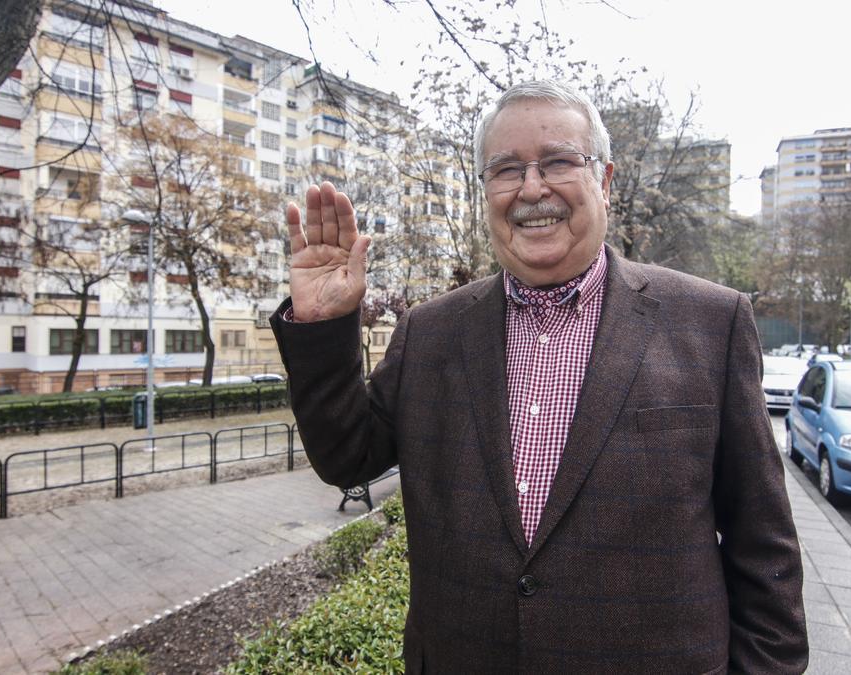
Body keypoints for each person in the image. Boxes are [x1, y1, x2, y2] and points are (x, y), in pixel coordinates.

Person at [271, 80, 807, 673]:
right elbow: (347, 458)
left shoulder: (712, 322)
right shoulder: (430, 332)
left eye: (558, 161)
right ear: (486, 192)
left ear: (604, 181)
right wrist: (322, 326)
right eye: (506, 169)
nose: (532, 188)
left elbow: (764, 546)